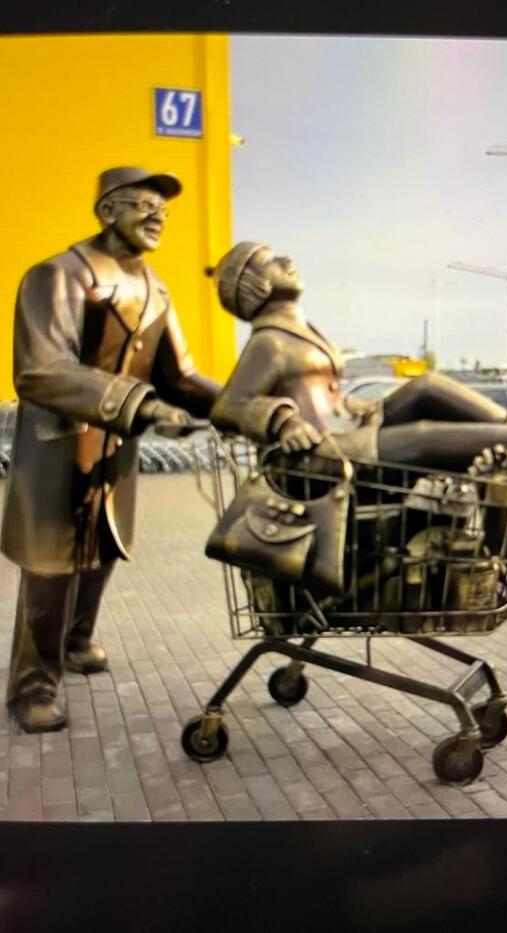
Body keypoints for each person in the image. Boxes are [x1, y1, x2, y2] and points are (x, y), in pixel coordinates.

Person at [1, 166, 220, 732]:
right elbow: (41, 371)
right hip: (58, 449)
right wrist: (144, 406)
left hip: (114, 450)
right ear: (107, 210)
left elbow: (180, 376)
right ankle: (32, 686)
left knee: (102, 553)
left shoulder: (156, 288)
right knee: (51, 569)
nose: (158, 217)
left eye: (163, 210)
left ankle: (76, 643)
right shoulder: (57, 275)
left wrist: (241, 408)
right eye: (144, 205)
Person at [208, 241, 507, 479]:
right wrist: (283, 422)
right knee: (423, 437)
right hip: (324, 455)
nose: (287, 261)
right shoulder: (268, 343)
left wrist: (352, 406)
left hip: (350, 430)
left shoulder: (298, 332)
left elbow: (318, 394)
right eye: (271, 261)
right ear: (255, 284)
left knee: (427, 387)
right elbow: (228, 407)